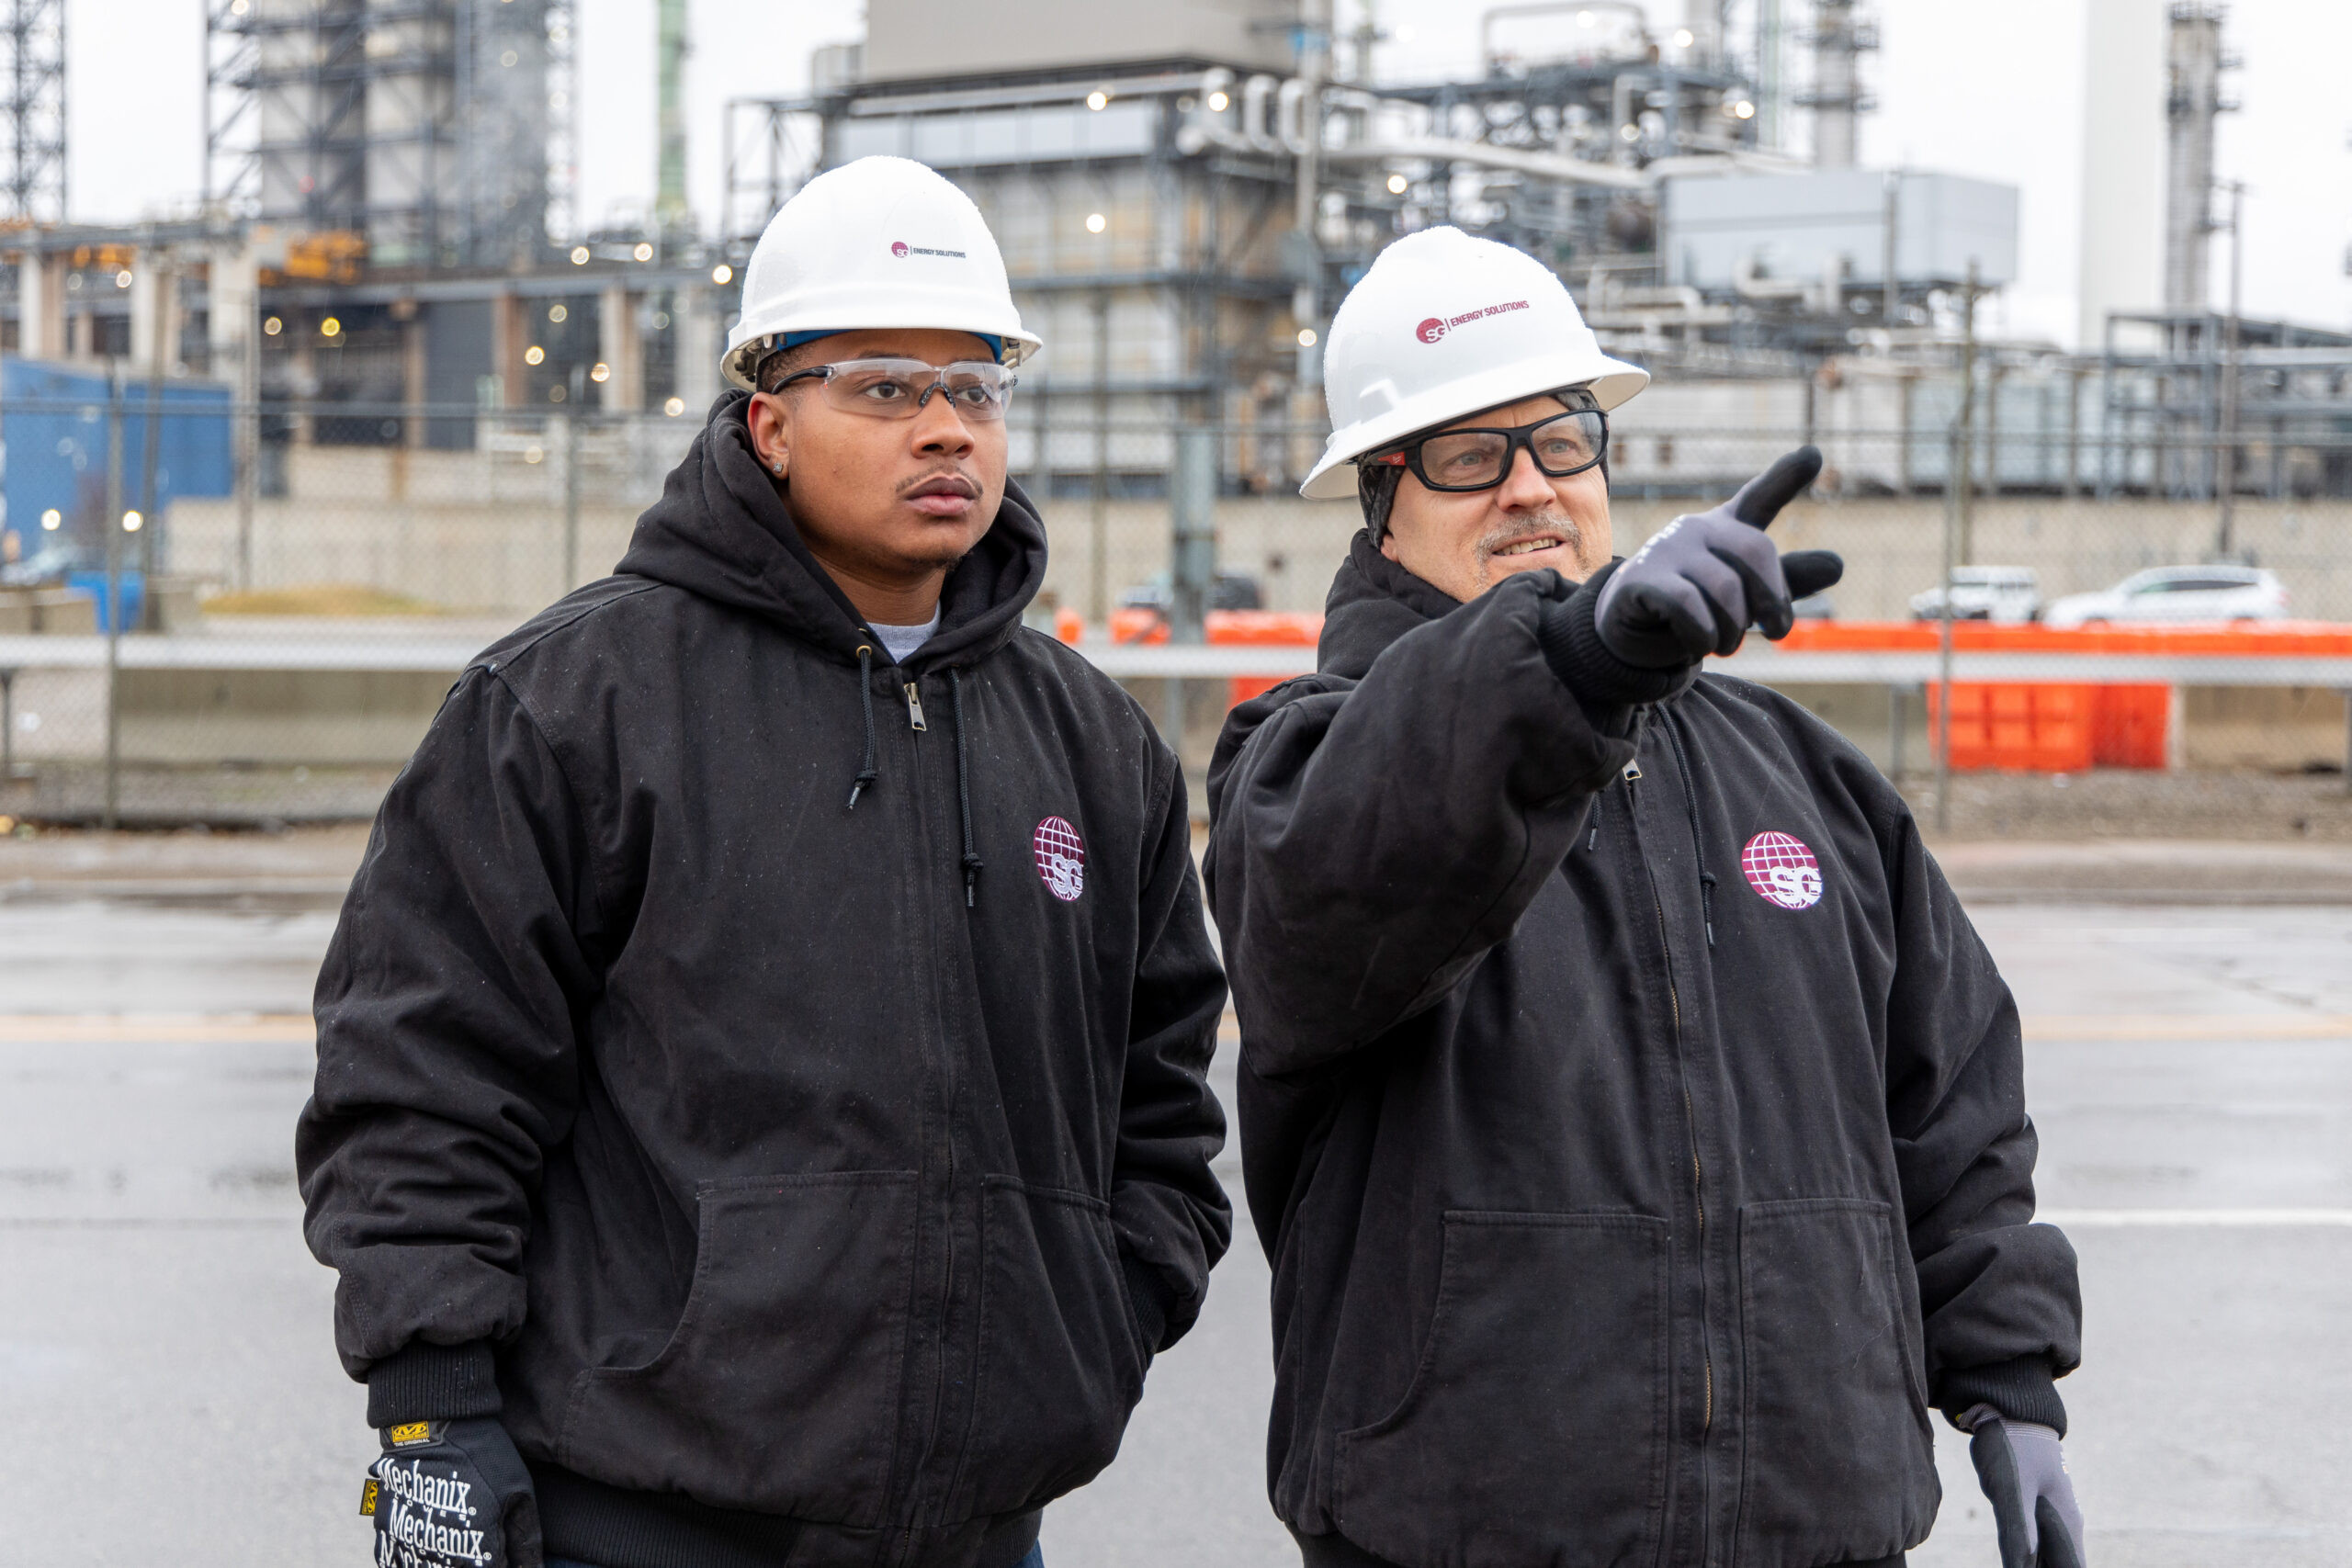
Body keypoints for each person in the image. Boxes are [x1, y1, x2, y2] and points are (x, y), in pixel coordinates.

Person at [298, 156, 1231, 1568]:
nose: (946, 432)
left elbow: (1157, 1098)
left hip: (977, 1529)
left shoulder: (1092, 743)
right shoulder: (576, 703)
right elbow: (421, 1073)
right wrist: (432, 1420)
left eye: (976, 391)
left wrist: (1099, 1317)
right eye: (885, 389)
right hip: (639, 1511)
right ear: (769, 422)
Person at [1204, 226, 2086, 1568]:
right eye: (1466, 455)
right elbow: (1344, 885)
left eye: (1561, 440)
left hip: (1815, 1522)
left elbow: (1951, 1108)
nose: (1529, 490)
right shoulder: (1303, 764)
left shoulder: (1803, 782)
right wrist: (1571, 664)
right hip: (1469, 1532)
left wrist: (2011, 1384)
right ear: (1380, 498)